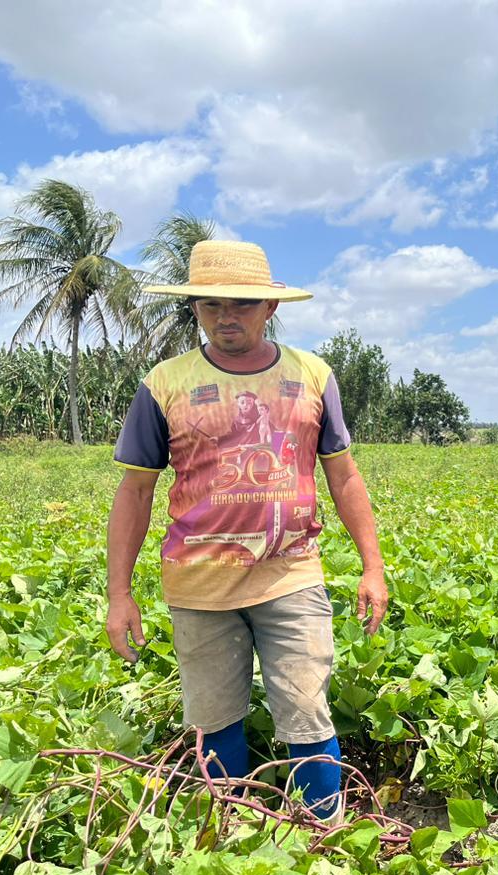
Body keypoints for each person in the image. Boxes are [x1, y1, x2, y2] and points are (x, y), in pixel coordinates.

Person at [106, 240, 389, 824]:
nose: (225, 317)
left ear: (269, 309)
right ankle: (231, 832)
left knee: (307, 707)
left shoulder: (312, 376)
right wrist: (119, 593)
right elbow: (135, 492)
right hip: (198, 582)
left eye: (241, 304)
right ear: (195, 311)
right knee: (214, 717)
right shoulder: (165, 385)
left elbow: (344, 474)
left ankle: (324, 831)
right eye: (210, 306)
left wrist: (372, 565)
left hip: (291, 572)